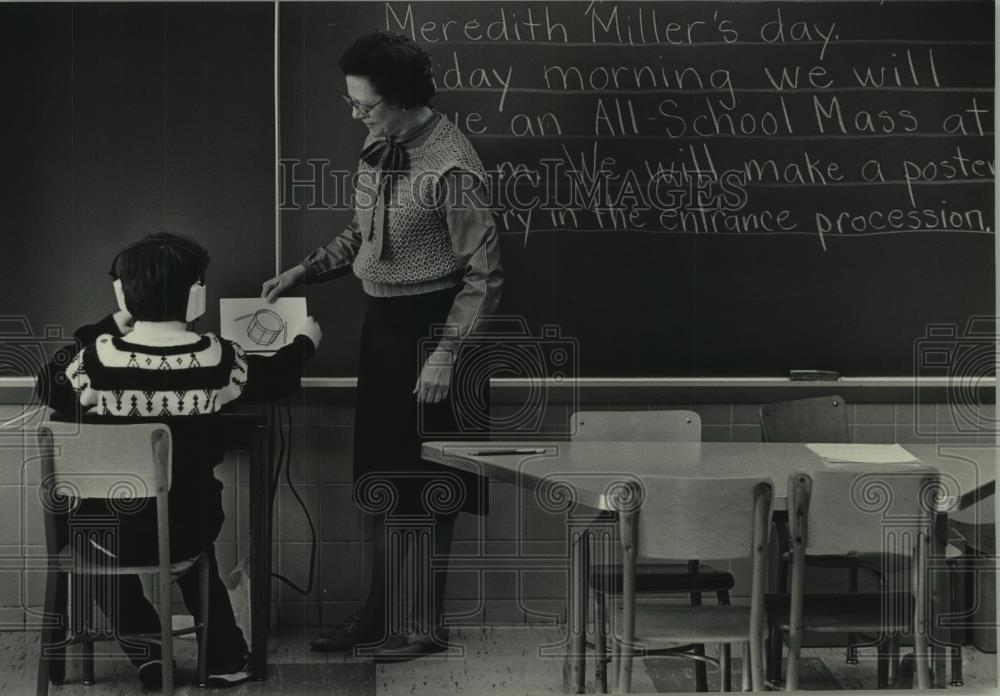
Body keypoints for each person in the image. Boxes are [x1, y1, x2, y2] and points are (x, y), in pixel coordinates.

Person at [262, 30, 502, 661]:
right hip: (385, 330)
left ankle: (423, 625)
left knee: (430, 487)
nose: (355, 115)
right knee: (383, 482)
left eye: (364, 105)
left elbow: (483, 276)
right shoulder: (381, 141)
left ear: (400, 99)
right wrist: (307, 269)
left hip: (436, 335)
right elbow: (362, 232)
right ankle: (378, 615)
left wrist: (447, 352)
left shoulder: (453, 166)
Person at [37, 232, 322, 688]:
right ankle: (226, 658)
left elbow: (49, 381)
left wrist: (113, 321)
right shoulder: (215, 357)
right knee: (189, 533)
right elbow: (275, 377)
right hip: (187, 528)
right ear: (197, 295)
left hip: (105, 535)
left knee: (89, 537)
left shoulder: (95, 360)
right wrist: (306, 341)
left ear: (122, 293)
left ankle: (148, 652)